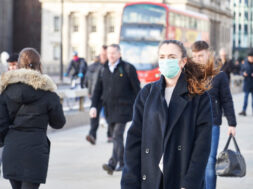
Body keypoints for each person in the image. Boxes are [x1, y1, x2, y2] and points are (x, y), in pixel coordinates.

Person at [121, 40, 216, 189]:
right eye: (162, 57)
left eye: (172, 57)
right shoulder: (147, 94)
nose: (166, 61)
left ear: (183, 61)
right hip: (151, 177)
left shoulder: (199, 97)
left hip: (181, 178)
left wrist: (190, 183)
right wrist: (130, 181)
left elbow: (202, 146)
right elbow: (134, 139)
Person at [0, 48, 66, 189]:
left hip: (12, 149)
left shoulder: (5, 92)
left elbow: (1, 125)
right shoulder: (49, 93)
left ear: (18, 65)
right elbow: (58, 123)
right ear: (39, 65)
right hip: (35, 151)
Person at [191, 41, 237, 189]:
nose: (197, 59)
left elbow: (226, 100)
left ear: (208, 54)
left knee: (210, 160)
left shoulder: (219, 76)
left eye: (200, 55)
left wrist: (232, 124)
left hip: (212, 123)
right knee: (193, 160)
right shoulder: (188, 75)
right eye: (195, 56)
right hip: (191, 123)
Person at [90, 44, 140, 175]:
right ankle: (123, 163)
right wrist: (93, 106)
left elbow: (137, 90)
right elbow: (97, 91)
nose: (110, 55)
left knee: (117, 135)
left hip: (124, 109)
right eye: (109, 53)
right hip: (109, 110)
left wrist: (140, 108)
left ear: (119, 54)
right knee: (116, 137)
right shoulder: (103, 69)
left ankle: (112, 163)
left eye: (113, 53)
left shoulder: (128, 68)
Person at [85, 45, 112, 145]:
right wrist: (89, 91)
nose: (103, 56)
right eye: (102, 54)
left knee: (110, 115)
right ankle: (92, 135)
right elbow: (88, 79)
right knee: (94, 116)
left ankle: (110, 135)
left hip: (109, 95)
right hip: (96, 95)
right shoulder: (93, 66)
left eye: (105, 54)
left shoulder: (112, 66)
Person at [238, 49, 253, 116]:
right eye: (250, 57)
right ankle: (244, 110)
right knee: (246, 98)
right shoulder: (245, 63)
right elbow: (240, 71)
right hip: (247, 83)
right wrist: (243, 74)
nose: (251, 58)